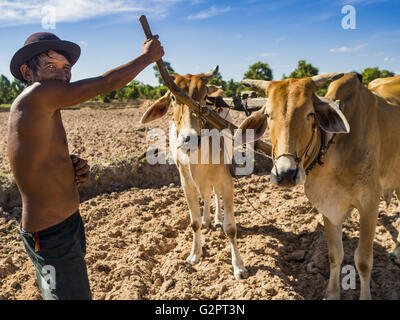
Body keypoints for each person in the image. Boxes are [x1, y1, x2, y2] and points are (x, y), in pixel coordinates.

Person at [7, 32, 164, 299]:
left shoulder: (46, 108)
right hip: (50, 236)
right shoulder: (36, 96)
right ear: (27, 72)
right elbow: (106, 83)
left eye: (65, 68)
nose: (61, 75)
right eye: (50, 66)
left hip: (67, 225)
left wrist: (69, 168)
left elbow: (39, 162)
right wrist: (148, 57)